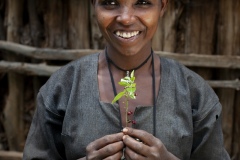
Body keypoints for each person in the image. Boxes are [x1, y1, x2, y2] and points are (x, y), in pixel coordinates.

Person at [23, 0, 231, 159]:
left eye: (142, 3)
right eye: (110, 3)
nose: (125, 18)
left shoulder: (194, 93)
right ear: (93, 4)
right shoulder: (63, 87)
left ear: (162, 6)